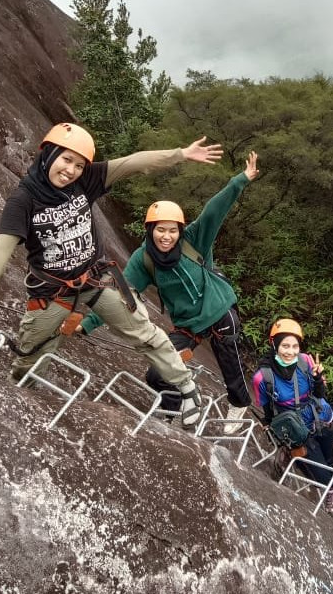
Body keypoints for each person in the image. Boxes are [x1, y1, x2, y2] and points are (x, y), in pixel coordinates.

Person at [0, 123, 223, 427]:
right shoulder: (24, 200)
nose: (71, 170)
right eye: (66, 160)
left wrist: (181, 154)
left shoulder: (87, 180)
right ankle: (20, 399)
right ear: (49, 154)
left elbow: (134, 162)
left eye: (79, 164)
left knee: (144, 331)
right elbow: (1, 249)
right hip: (53, 291)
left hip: (95, 280)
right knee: (31, 352)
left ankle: (187, 388)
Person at [81, 151, 259, 432]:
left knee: (227, 347)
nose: (166, 236)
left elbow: (215, 210)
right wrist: (87, 324)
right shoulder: (144, 259)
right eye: (160, 230)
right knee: (157, 372)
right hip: (188, 324)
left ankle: (238, 402)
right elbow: (120, 294)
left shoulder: (194, 239)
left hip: (217, 308)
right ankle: (172, 409)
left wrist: (241, 180)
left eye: (172, 230)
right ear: (150, 229)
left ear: (180, 230)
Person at [252, 318, 333, 512]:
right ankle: (330, 486)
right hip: (298, 428)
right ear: (274, 344)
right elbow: (268, 410)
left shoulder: (305, 361)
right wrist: (274, 429)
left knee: (330, 460)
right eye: (285, 346)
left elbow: (320, 394)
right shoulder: (262, 378)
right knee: (322, 475)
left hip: (322, 417)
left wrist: (318, 378)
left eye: (295, 346)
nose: (290, 352)